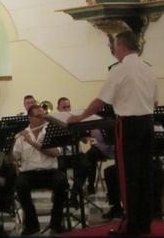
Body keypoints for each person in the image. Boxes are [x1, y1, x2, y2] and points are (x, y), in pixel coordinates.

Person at [68, 31, 158, 235]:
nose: (114, 50)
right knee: (145, 174)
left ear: (122, 47)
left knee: (128, 176)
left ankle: (131, 226)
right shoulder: (148, 69)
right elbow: (155, 102)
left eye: (115, 46)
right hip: (147, 123)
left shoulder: (119, 70)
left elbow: (101, 100)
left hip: (128, 125)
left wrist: (80, 117)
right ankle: (143, 224)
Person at [13, 105, 68, 235]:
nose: (43, 119)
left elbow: (55, 153)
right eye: (38, 116)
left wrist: (32, 142)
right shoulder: (22, 135)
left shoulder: (51, 130)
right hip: (29, 173)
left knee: (62, 182)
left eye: (43, 115)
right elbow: (13, 158)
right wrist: (8, 145)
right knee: (20, 185)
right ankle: (32, 224)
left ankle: (56, 223)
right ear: (30, 118)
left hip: (50, 172)